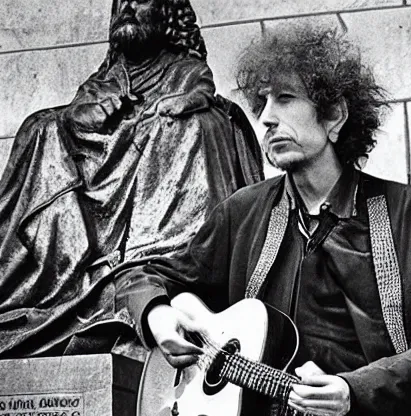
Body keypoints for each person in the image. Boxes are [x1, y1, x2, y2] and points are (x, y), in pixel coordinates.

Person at [115, 26, 411, 416]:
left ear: (334, 116)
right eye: (262, 102)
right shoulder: (243, 213)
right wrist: (159, 317)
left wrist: (353, 390)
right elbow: (143, 276)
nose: (265, 118)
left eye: (284, 99)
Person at [0, 0, 263, 358]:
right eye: (119, 2)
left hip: (151, 179)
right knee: (40, 126)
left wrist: (178, 106)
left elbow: (199, 95)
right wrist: (83, 115)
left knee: (192, 126)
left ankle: (151, 267)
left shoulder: (182, 69)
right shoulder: (106, 78)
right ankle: (57, 274)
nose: (126, 8)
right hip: (98, 174)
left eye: (139, 0)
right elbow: (79, 117)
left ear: (167, 16)